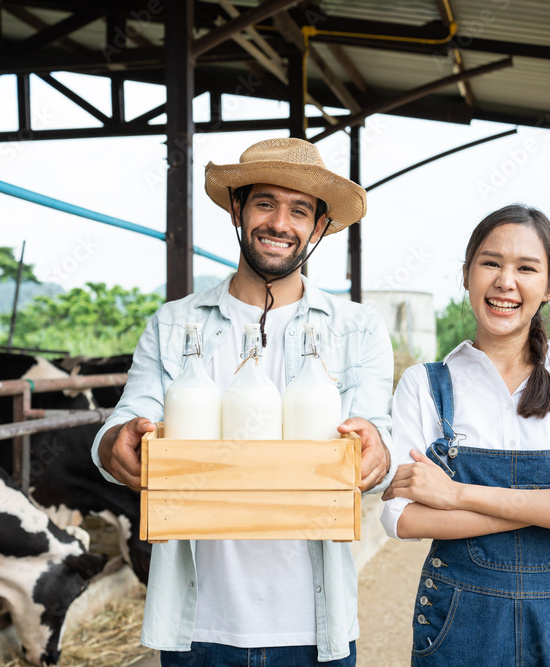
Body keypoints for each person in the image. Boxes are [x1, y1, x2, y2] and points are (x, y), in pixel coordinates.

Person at [94, 137, 396, 665]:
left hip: (314, 625)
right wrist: (116, 445)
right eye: (265, 203)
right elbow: (125, 422)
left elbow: (377, 433)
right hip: (199, 624)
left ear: (319, 227)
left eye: (299, 210)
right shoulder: (173, 324)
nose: (280, 223)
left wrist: (378, 451)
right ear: (237, 208)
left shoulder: (357, 329)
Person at [381, 204, 550, 666]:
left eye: (527, 268)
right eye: (491, 262)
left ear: (549, 286)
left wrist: (455, 494)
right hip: (459, 618)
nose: (505, 282)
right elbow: (405, 519)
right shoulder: (424, 384)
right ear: (466, 274)